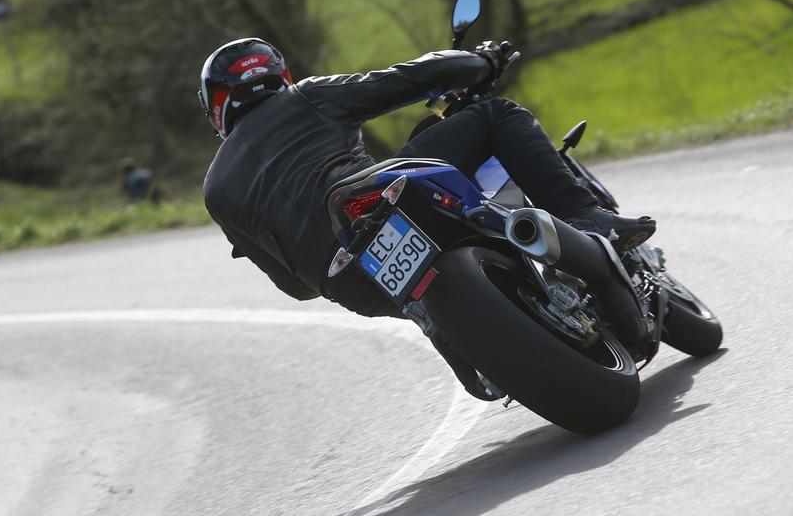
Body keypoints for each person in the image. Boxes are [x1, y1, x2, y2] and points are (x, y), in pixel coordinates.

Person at [200, 38, 655, 398]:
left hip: (347, 281)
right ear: (278, 75)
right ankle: (586, 217)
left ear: (217, 105)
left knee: (410, 303)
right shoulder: (307, 97)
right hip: (395, 201)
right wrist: (481, 61)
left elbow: (296, 287)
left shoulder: (216, 189)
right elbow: (409, 78)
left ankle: (447, 333)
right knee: (495, 115)